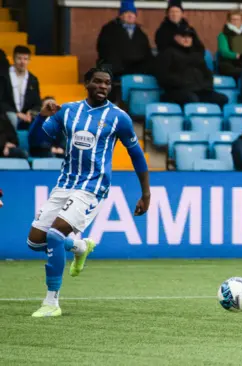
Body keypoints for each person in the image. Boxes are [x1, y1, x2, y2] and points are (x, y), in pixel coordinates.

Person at [26, 65, 150, 317]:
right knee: (33, 242)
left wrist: (146, 193)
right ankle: (80, 247)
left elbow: (136, 154)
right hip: (65, 184)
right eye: (98, 82)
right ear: (87, 83)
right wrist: (41, 116)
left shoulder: (119, 117)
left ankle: (51, 302)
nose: (103, 86)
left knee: (54, 236)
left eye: (107, 83)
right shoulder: (69, 111)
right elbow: (37, 141)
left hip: (93, 187)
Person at [156, 25, 228, 108]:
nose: (187, 39)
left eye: (189, 37)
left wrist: (206, 86)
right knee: (192, 98)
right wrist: (182, 83)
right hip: (176, 91)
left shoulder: (197, 54)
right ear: (176, 37)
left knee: (222, 99)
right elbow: (163, 76)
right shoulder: (167, 53)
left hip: (200, 90)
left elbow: (207, 73)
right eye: (183, 36)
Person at [96, 0, 153, 79]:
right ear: (120, 15)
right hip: (117, 68)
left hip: (136, 68)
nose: (130, 15)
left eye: (132, 13)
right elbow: (104, 49)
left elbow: (147, 52)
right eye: (126, 13)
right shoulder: (109, 29)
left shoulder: (140, 33)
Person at [0, 46, 41, 131]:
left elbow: (37, 103)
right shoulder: (3, 76)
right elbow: (1, 101)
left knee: (40, 118)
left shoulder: (33, 80)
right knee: (12, 118)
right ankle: (12, 143)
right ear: (14, 59)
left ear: (29, 61)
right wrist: (17, 113)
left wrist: (31, 112)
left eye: (25, 59)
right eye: (19, 58)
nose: (22, 62)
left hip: (26, 114)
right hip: (7, 112)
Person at [217, 10, 242, 79]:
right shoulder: (223, 34)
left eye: (238, 19)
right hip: (230, 62)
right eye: (233, 19)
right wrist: (235, 55)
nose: (236, 22)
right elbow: (224, 51)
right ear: (229, 20)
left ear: (241, 20)